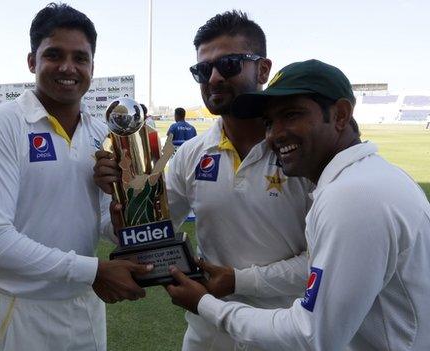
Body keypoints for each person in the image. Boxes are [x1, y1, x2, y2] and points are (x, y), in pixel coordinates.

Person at [166, 59, 430, 350]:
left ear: (340, 115)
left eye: (291, 115)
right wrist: (238, 282)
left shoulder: (353, 197)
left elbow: (312, 336)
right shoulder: (364, 179)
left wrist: (205, 305)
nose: (274, 134)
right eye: (269, 122)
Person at [94, 11, 313, 351]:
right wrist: (122, 200)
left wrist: (240, 281)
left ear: (263, 69)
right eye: (202, 69)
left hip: (282, 331)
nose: (212, 78)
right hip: (207, 332)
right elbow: (152, 231)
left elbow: (323, 261)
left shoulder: (300, 152)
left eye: (228, 64)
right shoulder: (192, 154)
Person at [0, 4, 151, 351]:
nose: (68, 67)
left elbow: (100, 225)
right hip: (23, 310)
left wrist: (121, 212)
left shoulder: (100, 133)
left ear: (92, 67)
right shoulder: (2, 124)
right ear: (32, 62)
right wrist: (92, 270)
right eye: (54, 54)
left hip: (85, 306)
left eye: (80, 58)